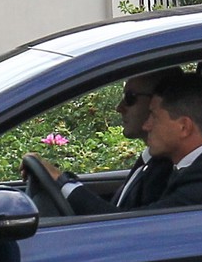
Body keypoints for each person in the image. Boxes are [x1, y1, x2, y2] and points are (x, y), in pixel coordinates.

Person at [45, 70, 202, 212]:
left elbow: (133, 227)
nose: (147, 125)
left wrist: (63, 183)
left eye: (154, 116)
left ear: (184, 127)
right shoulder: (192, 166)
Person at [60, 69, 177, 215]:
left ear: (160, 103)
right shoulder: (151, 160)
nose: (119, 108)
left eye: (130, 98)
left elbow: (127, 224)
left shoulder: (167, 171)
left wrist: (63, 182)